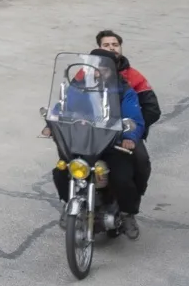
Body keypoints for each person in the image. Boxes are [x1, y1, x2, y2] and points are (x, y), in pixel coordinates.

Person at [47, 56, 145, 238]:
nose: (99, 73)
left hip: (111, 144)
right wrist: (51, 124)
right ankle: (69, 204)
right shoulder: (78, 88)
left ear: (112, 71)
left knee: (122, 178)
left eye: (104, 69)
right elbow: (62, 107)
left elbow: (133, 117)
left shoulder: (123, 91)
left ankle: (127, 214)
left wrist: (129, 136)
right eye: (96, 68)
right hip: (83, 141)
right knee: (61, 171)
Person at [96, 29, 158, 200]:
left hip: (126, 130)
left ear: (121, 48)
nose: (111, 48)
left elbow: (152, 108)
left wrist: (133, 130)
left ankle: (133, 199)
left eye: (115, 45)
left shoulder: (134, 76)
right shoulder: (85, 72)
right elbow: (71, 100)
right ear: (99, 48)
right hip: (93, 130)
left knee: (141, 161)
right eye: (106, 45)